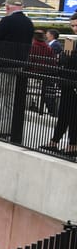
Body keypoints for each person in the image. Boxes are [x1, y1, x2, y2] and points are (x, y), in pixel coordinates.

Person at [0, 0, 35, 136]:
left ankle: (0, 129)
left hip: (2, 64)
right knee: (10, 97)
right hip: (19, 64)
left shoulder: (7, 21)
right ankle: (11, 129)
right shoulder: (28, 22)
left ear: (7, 7)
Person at [48, 15, 77, 155]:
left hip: (73, 84)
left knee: (72, 116)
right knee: (64, 113)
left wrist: (66, 59)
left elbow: (72, 62)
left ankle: (73, 145)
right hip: (67, 84)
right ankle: (55, 141)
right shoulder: (73, 41)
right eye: (72, 25)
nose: (74, 28)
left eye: (76, 25)